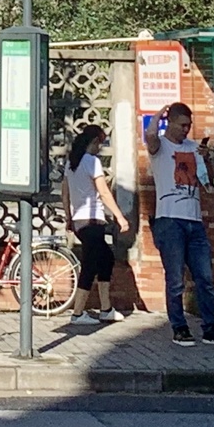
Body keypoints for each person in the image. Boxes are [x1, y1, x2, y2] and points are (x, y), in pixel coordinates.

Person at [145, 102, 214, 346]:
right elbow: (150, 136)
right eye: (182, 125)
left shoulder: (194, 147)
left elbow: (208, 181)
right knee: (175, 279)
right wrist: (159, 113)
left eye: (189, 126)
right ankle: (179, 327)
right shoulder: (160, 146)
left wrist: (206, 160)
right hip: (169, 219)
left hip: (194, 219)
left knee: (205, 277)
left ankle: (211, 328)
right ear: (170, 122)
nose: (186, 130)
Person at [63, 123, 129, 325]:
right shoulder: (92, 162)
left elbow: (64, 193)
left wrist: (68, 218)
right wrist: (120, 216)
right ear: (94, 142)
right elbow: (104, 192)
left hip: (80, 221)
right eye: (100, 143)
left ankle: (105, 308)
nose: (100, 147)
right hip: (93, 219)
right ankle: (78, 313)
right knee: (90, 265)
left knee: (106, 259)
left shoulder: (71, 163)